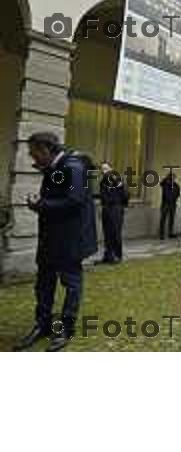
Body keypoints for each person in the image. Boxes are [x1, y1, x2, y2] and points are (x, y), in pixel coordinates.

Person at [13, 132, 97, 352]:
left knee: (71, 285)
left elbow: (74, 200)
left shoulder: (74, 167)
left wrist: (40, 206)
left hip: (70, 240)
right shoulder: (57, 166)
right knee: (44, 283)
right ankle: (42, 325)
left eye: (34, 152)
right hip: (51, 238)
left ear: (46, 150)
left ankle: (66, 328)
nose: (31, 157)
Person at [96, 161, 129, 264]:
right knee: (107, 234)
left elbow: (125, 194)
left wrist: (120, 205)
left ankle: (117, 255)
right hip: (106, 208)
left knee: (115, 233)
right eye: (102, 169)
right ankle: (108, 255)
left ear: (111, 169)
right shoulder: (103, 182)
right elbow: (103, 196)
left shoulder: (116, 178)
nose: (104, 171)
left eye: (106, 168)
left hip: (115, 208)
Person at [159, 172, 180, 239]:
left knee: (171, 219)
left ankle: (170, 232)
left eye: (173, 178)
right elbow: (162, 184)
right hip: (166, 204)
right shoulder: (165, 184)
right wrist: (166, 179)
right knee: (163, 219)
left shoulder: (176, 185)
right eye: (171, 177)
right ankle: (161, 234)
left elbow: (178, 193)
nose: (172, 179)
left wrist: (174, 198)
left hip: (173, 204)